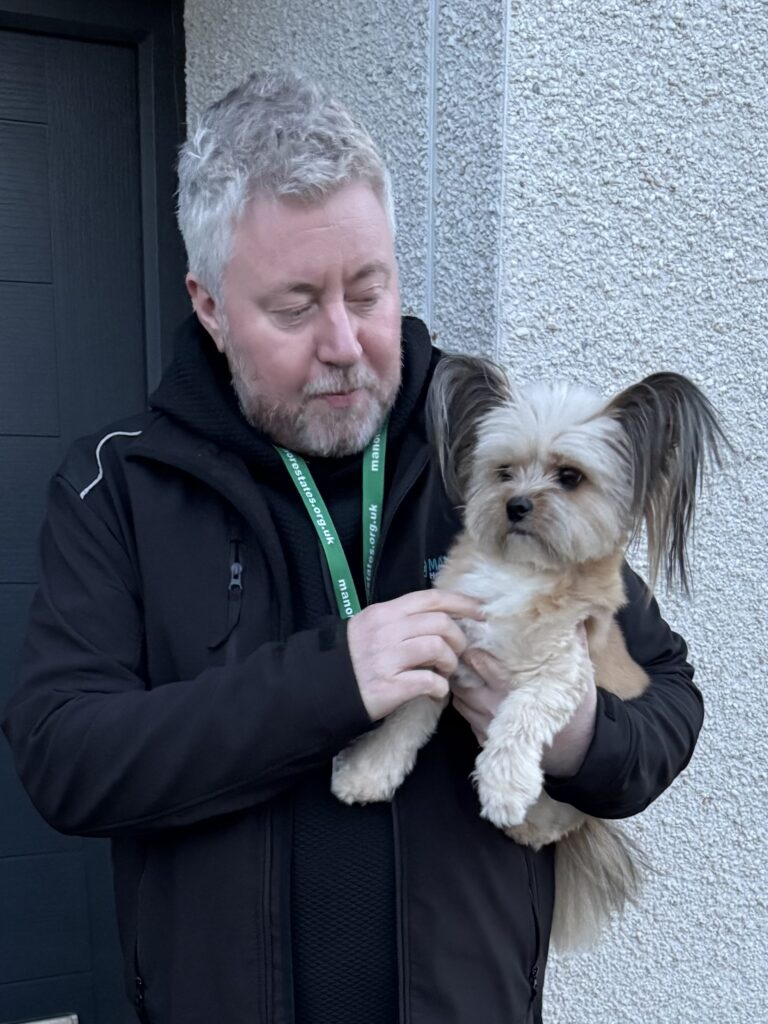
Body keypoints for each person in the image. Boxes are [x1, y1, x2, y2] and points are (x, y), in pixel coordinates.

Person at [1, 70, 703, 1024]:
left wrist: (574, 732)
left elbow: (666, 704)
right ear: (209, 306)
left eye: (368, 292)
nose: (345, 342)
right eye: (294, 308)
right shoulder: (119, 486)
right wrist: (330, 682)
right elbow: (64, 757)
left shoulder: (493, 459)